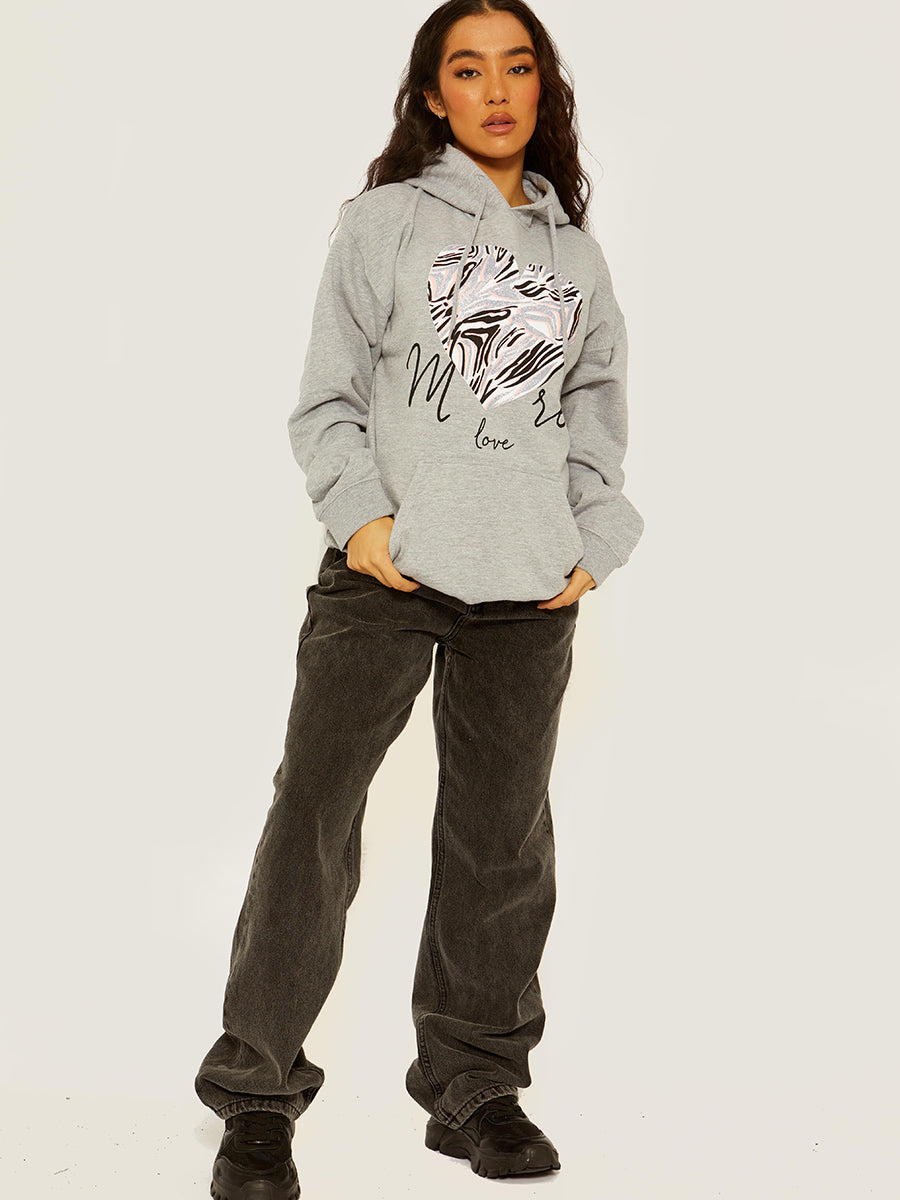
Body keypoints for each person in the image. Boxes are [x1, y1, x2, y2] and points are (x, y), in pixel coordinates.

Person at [195, 1, 644, 1195]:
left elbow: (597, 418)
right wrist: (362, 519)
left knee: (502, 838)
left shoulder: (576, 258)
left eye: (518, 67)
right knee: (314, 817)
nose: (496, 90)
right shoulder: (383, 223)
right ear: (433, 96)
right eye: (468, 70)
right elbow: (327, 398)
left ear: (543, 89)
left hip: (527, 590)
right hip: (384, 577)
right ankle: (256, 1093)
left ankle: (475, 1085)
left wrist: (593, 539)